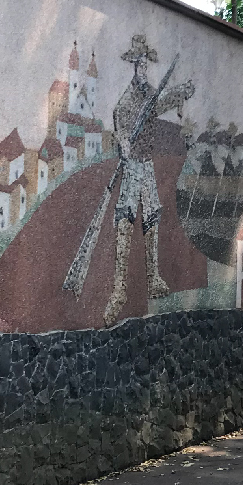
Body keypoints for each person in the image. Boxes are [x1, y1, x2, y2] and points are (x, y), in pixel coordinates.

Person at [103, 36, 195, 326]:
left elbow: (160, 104)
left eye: (146, 64)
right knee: (126, 216)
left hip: (147, 164)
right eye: (139, 64)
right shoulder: (129, 100)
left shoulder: (149, 95)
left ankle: (153, 276)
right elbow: (119, 118)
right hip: (132, 165)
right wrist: (122, 140)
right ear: (133, 66)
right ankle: (119, 288)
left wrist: (180, 93)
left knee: (152, 216)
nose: (143, 68)